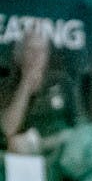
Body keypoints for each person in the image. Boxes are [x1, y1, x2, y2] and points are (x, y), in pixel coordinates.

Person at [0, 26, 82, 160]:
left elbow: (79, 127)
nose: (36, 56)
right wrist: (25, 85)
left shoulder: (62, 82)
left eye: (41, 51)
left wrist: (42, 144)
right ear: (18, 55)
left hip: (59, 153)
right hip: (20, 155)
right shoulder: (6, 86)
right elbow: (8, 129)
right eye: (30, 50)